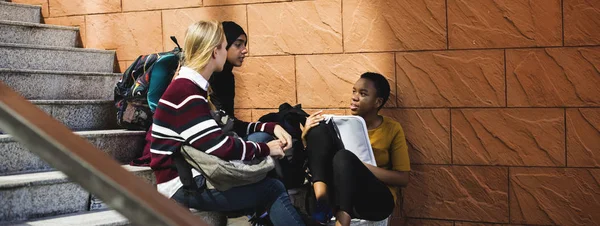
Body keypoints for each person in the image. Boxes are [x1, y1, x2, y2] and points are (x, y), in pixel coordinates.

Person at [149, 20, 305, 226]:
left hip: (194, 175)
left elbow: (226, 126)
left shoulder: (191, 87)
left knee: (265, 183)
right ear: (215, 52)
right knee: (272, 188)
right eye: (225, 46)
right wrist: (266, 149)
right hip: (182, 185)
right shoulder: (186, 92)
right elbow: (219, 147)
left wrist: (269, 127)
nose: (232, 51)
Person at [301, 72, 411, 226]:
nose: (354, 97)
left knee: (344, 157)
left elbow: (402, 178)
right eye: (354, 91)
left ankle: (342, 220)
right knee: (319, 127)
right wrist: (306, 137)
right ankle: (322, 200)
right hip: (340, 194)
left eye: (363, 94)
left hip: (375, 201)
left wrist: (360, 166)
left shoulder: (392, 129)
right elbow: (321, 162)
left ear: (377, 102)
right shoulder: (340, 126)